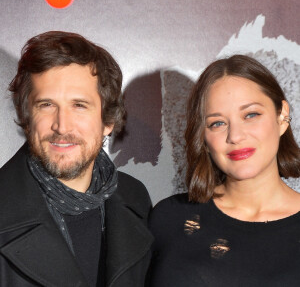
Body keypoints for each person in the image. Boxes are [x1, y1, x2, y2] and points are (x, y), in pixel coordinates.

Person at [0, 31, 153, 287]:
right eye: (46, 105)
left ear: (108, 120)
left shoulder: (136, 199)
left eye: (79, 105)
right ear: (27, 117)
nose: (62, 126)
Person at [149, 55, 300, 286]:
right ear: (203, 137)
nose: (235, 136)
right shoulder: (168, 219)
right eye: (217, 123)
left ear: (282, 116)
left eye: (251, 115)